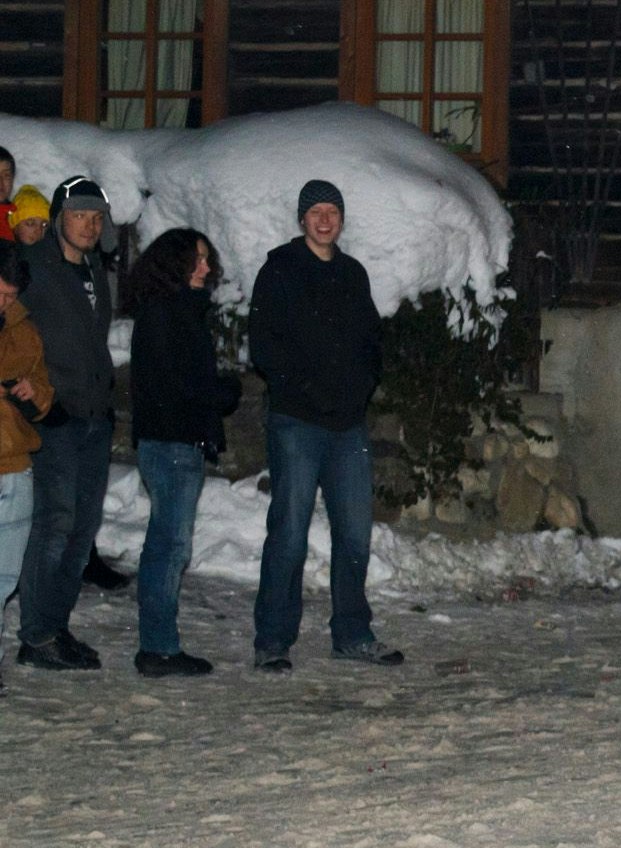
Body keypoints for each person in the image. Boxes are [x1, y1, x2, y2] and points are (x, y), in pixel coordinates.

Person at [247, 179, 402, 670]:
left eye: (331, 210)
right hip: (297, 421)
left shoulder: (353, 274)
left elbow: (370, 341)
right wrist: (299, 388)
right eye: (315, 210)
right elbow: (264, 344)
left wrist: (363, 386)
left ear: (341, 219)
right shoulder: (280, 270)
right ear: (301, 219)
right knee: (289, 532)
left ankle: (352, 633)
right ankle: (273, 640)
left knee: (355, 533)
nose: (324, 218)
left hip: (348, 425)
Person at [124, 228, 240, 677]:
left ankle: (160, 644)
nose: (207, 268)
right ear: (175, 264)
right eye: (198, 260)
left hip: (177, 442)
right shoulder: (165, 314)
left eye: (207, 260)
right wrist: (223, 391)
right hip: (171, 444)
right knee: (168, 548)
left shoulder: (178, 312)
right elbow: (177, 385)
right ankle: (158, 647)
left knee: (169, 545)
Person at [14, 175, 116, 672]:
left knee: (82, 529)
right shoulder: (34, 268)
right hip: (55, 417)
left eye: (97, 217)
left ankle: (55, 625)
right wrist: (25, 388)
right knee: (54, 525)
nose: (90, 225)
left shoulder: (95, 269)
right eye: (80, 214)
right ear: (59, 219)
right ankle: (35, 636)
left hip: (95, 415)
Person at [0, 240, 55, 696]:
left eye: (11, 295)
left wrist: (30, 393)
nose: (5, 302)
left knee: (3, 578)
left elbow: (44, 393)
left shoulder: (25, 330)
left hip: (16, 464)